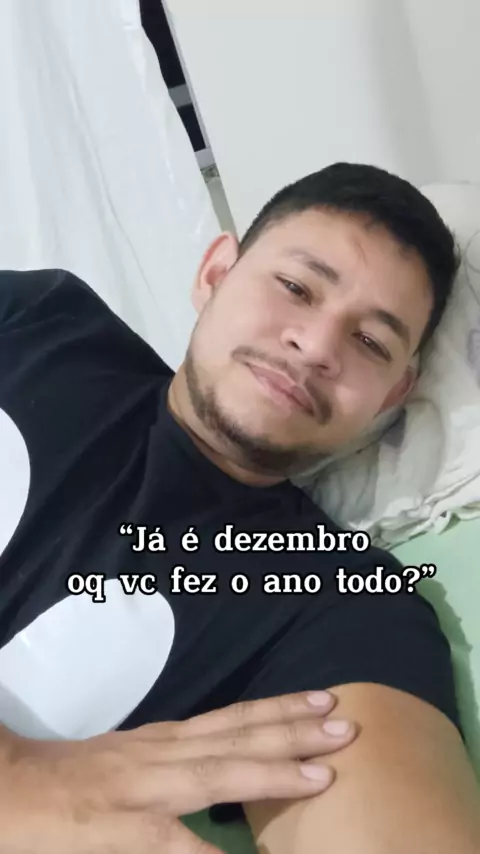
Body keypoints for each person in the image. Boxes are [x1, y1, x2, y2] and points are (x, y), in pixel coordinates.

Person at [0, 162, 479, 854]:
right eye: (296, 287)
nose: (315, 347)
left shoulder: (336, 601)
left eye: (371, 342)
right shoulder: (37, 323)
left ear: (393, 395)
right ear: (216, 273)